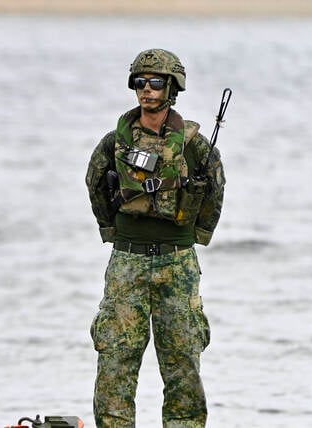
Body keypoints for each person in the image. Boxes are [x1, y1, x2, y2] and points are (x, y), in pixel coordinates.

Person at [85, 48, 225, 428]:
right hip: (127, 261)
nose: (147, 90)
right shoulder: (114, 141)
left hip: (176, 263)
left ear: (172, 87)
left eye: (156, 82)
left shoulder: (195, 144)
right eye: (140, 82)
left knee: (182, 361)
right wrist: (113, 231)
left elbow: (215, 189)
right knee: (115, 359)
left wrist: (195, 234)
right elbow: (94, 183)